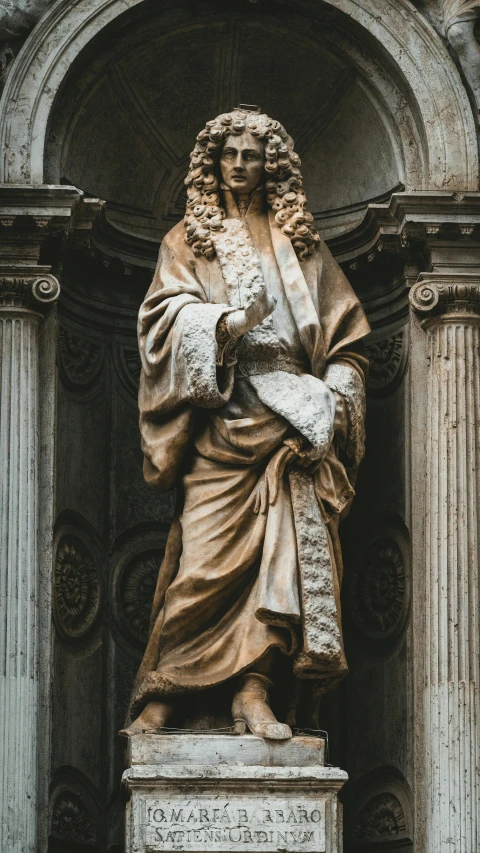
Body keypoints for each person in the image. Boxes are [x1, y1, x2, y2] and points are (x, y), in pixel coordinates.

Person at [122, 106, 370, 740]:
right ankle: (167, 691)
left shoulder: (304, 247)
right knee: (200, 565)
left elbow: (348, 343)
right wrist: (224, 325)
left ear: (271, 165)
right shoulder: (188, 241)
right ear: (213, 162)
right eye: (228, 154)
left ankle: (252, 692)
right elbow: (161, 321)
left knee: (275, 565)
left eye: (250, 155)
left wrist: (330, 401)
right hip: (220, 421)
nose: (238, 164)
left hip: (287, 425)